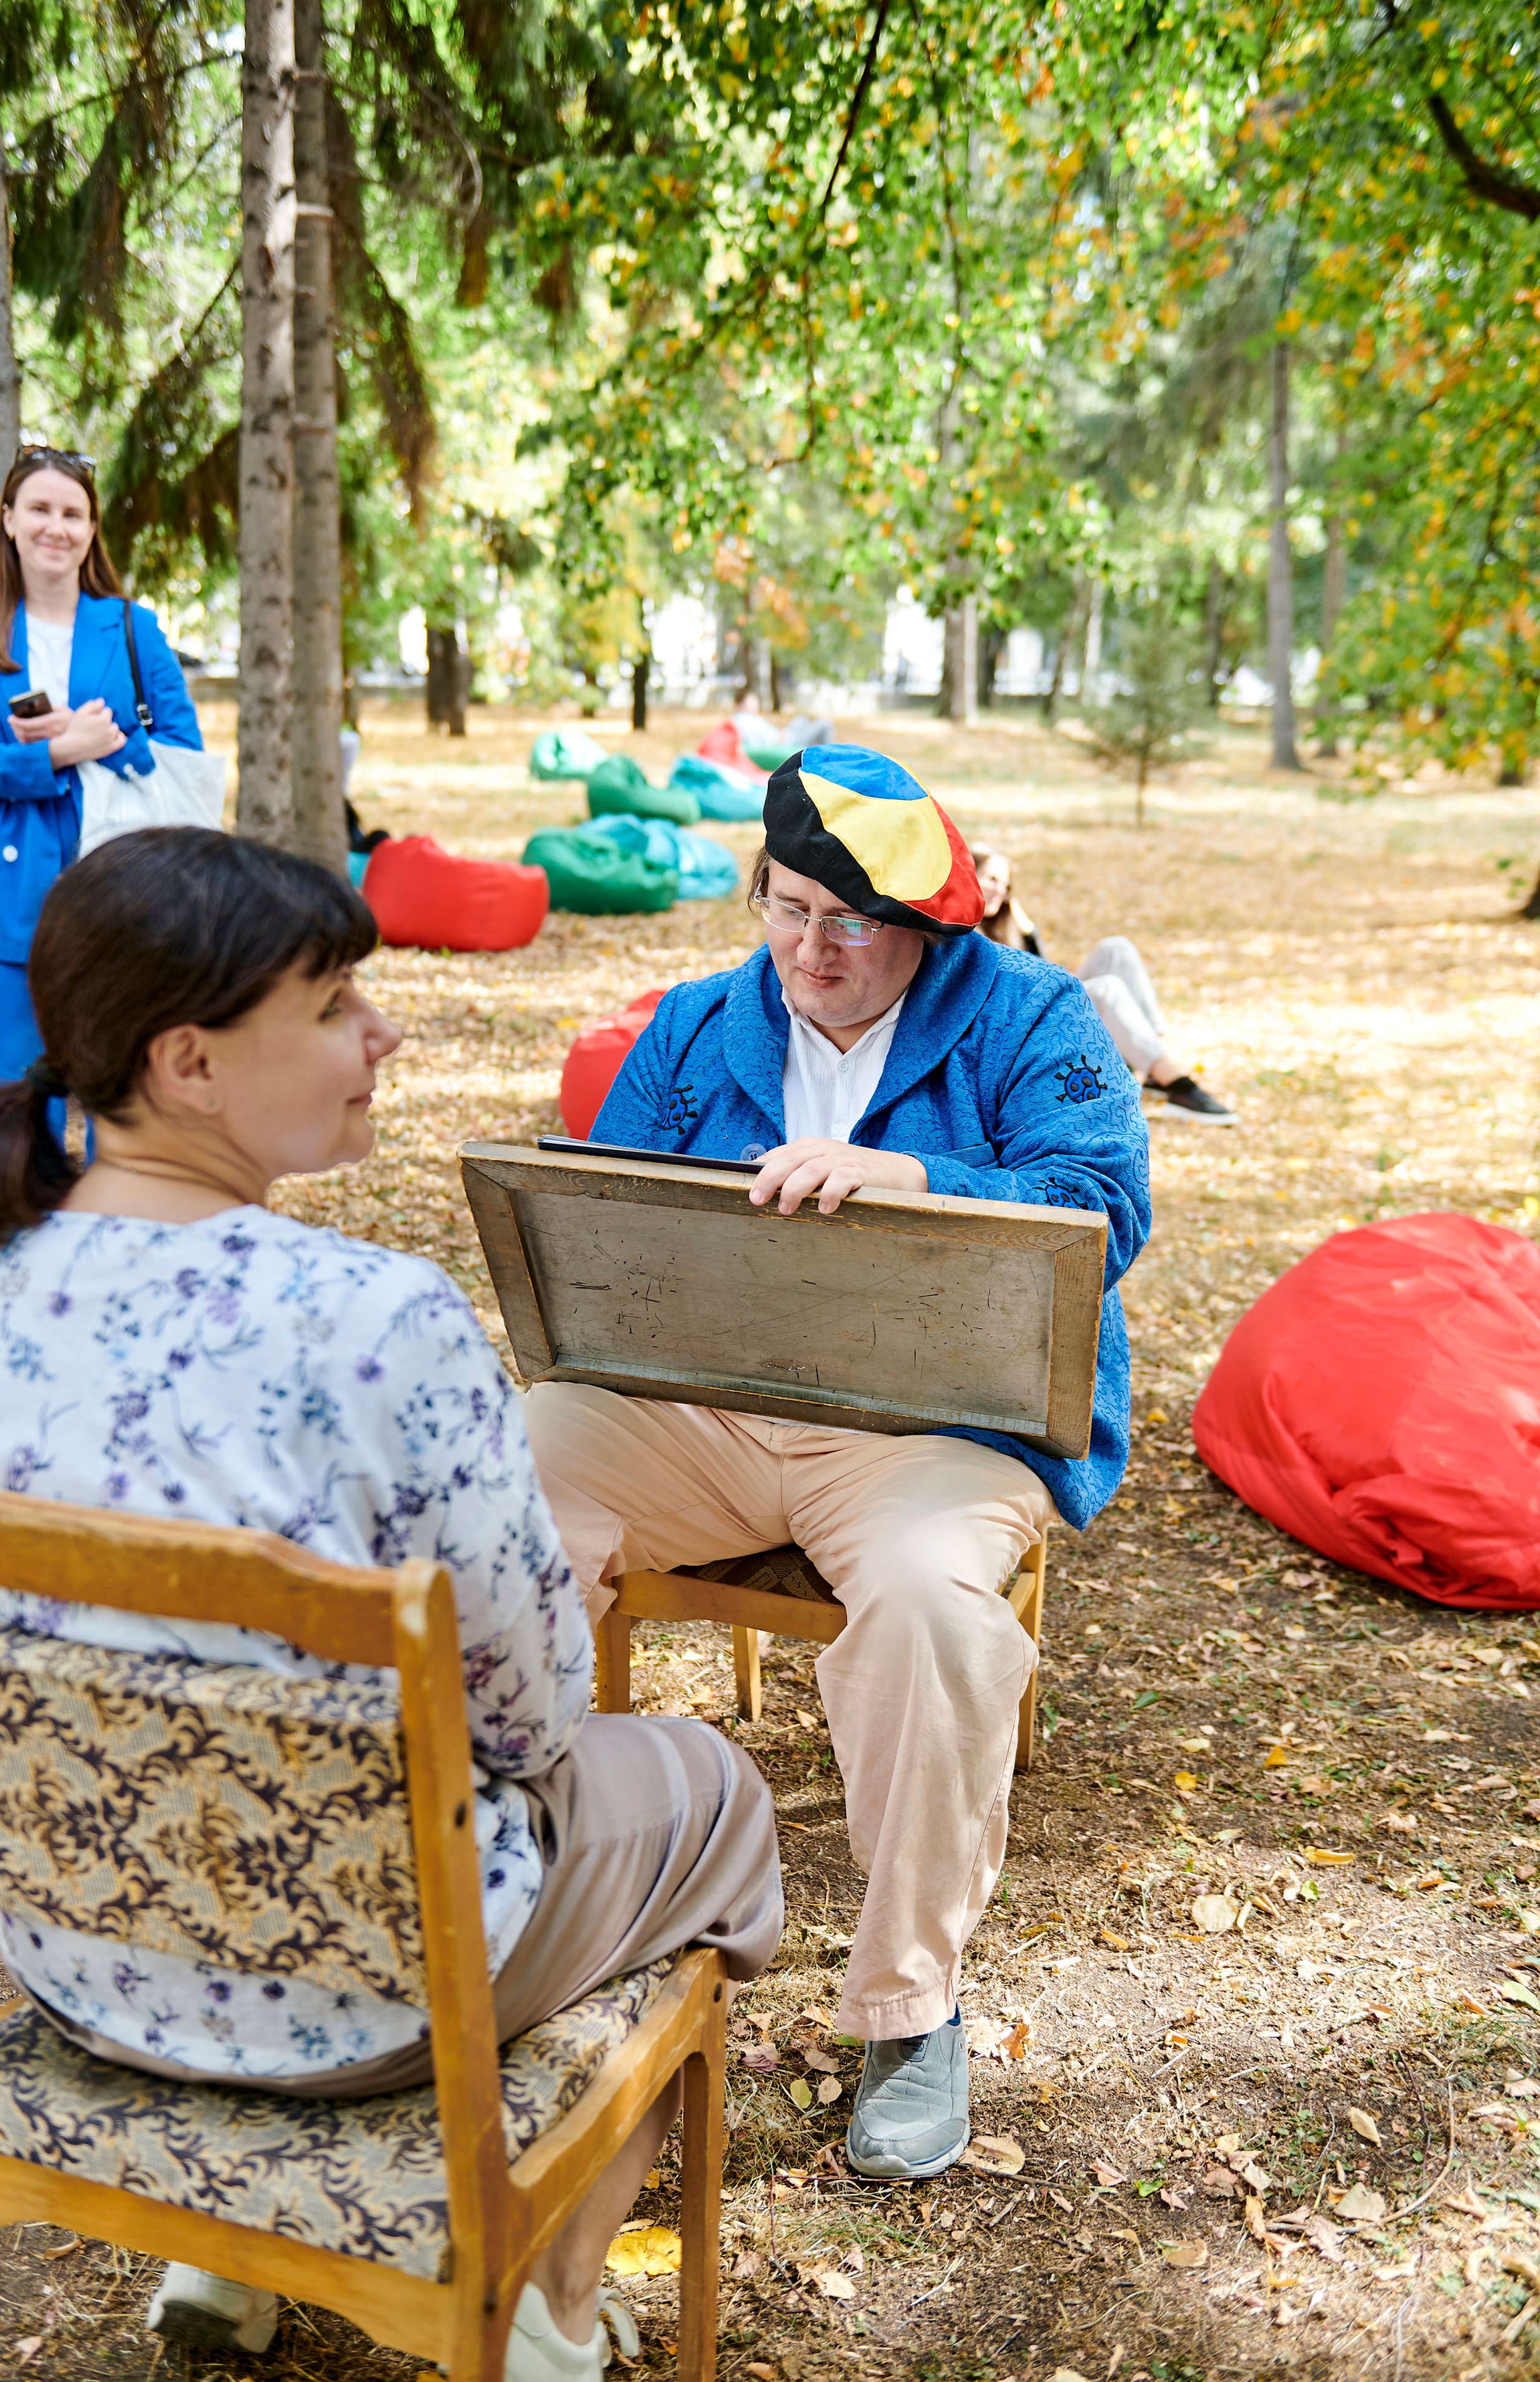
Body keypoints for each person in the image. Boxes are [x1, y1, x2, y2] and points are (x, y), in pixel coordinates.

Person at [0, 829, 781, 2372]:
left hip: (76, 1965)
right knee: (716, 1798)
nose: (383, 1032)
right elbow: (533, 1720)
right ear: (189, 1062)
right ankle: (549, 2301)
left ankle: (229, 2251)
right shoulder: (378, 1324)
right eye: (335, 1003)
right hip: (377, 2003)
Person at [524, 746, 1151, 2184]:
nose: (812, 949)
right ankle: (505, 1890)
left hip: (936, 1428)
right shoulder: (698, 1024)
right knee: (500, 1489)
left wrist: (917, 1180)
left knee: (930, 1611)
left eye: (851, 923)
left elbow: (1101, 1205)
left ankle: (910, 2007)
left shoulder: (1029, 1015)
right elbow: (608, 1215)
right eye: (787, 908)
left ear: (922, 927)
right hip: (707, 1409)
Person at [0, 445, 202, 1104]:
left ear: (91, 530)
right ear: (8, 518)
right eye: (39, 509)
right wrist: (57, 751)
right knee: (8, 1092)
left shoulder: (132, 627)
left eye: (73, 514)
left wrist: (103, 743)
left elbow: (183, 752)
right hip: (17, 887)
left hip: (125, 882)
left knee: (123, 1094)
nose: (55, 527)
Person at [970, 843, 1237, 1125]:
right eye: (991, 879)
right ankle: (1178, 1086)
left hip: (1042, 1009)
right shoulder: (964, 933)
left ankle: (1152, 1067)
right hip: (1017, 1027)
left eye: (1007, 885)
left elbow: (1044, 970)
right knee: (1107, 989)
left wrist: (1020, 917)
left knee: (1116, 949)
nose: (1001, 891)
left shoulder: (1008, 926)